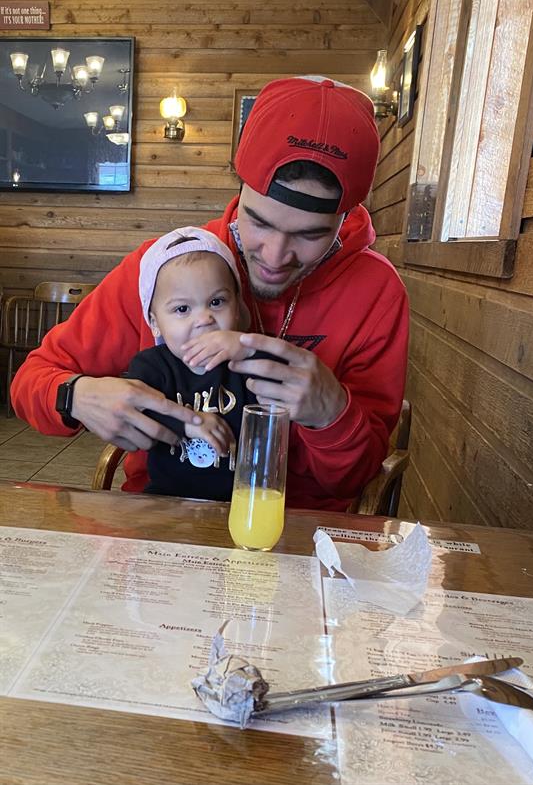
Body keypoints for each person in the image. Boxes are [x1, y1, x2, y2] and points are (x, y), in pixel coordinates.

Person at [11, 75, 409, 512]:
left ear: (344, 217)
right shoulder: (168, 268)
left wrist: (331, 413)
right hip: (160, 518)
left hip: (297, 527)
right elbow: (33, 380)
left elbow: (357, 477)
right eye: (259, 222)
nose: (275, 256)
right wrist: (76, 396)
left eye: (311, 235)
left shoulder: (377, 291)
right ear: (239, 189)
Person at [129, 225, 270, 500]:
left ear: (238, 309)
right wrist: (188, 423)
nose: (204, 318)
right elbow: (135, 409)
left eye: (216, 302)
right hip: (165, 500)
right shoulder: (152, 367)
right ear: (155, 323)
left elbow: (284, 378)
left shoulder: (246, 361)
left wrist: (245, 348)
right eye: (182, 309)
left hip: (240, 501)